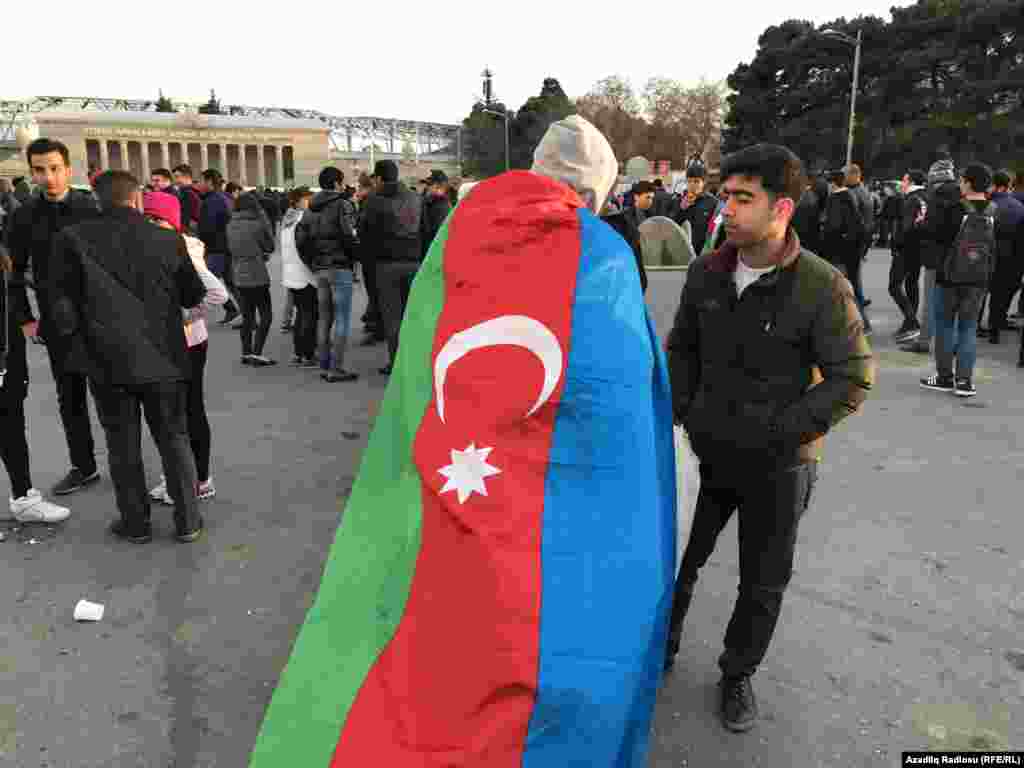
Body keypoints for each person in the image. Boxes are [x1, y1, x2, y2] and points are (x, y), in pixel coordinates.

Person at [665, 144, 874, 732]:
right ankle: (662, 647)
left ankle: (737, 675)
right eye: (725, 196)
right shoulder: (706, 271)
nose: (725, 209)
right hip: (702, 453)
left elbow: (852, 377)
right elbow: (682, 347)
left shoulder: (822, 286)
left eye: (741, 199)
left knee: (762, 582)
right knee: (677, 560)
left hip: (778, 466)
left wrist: (779, 433)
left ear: (781, 207)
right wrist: (681, 411)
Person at [47, 170, 206, 543]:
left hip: (106, 361)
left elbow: (61, 306)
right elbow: (191, 295)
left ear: (98, 201)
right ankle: (188, 522)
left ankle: (135, 524)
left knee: (122, 445)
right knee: (174, 439)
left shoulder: (72, 239)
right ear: (136, 199)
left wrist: (79, 344)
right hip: (164, 358)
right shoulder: (169, 240)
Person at [5, 138, 103, 496]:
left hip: (100, 316)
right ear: (31, 172)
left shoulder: (91, 207)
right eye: (39, 170)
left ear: (68, 168)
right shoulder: (24, 214)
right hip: (56, 321)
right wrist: (25, 318)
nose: (48, 177)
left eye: (55, 168)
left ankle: (129, 465)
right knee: (70, 397)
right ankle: (84, 465)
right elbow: (12, 271)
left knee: (115, 395)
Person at [141, 191, 227, 505]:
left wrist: (183, 316)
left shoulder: (183, 248)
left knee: (185, 412)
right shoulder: (172, 244)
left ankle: (197, 479)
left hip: (185, 342)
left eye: (157, 219)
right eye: (146, 217)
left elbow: (218, 294)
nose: (150, 224)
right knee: (182, 411)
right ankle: (190, 476)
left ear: (172, 222)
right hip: (188, 339)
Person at [1, 243, 71, 523]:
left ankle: (23, 497)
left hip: (9, 364)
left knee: (12, 429)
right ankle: (24, 498)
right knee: (11, 429)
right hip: (6, 365)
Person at [920, 163, 995, 398]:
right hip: (979, 279)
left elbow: (935, 236)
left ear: (969, 182)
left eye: (962, 180)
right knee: (968, 328)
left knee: (945, 326)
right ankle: (965, 381)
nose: (960, 183)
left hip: (949, 276)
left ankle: (944, 377)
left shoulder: (954, 208)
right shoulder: (994, 210)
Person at [360, 160, 421, 376]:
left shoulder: (373, 200)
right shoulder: (415, 197)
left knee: (392, 318)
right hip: (414, 262)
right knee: (412, 315)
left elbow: (364, 234)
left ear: (378, 178)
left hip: (386, 265)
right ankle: (416, 360)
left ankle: (397, 363)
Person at [301, 167, 359, 382]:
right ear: (336, 183)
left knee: (324, 318)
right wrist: (354, 257)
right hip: (339, 266)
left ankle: (324, 364)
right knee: (342, 318)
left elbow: (302, 239)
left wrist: (312, 263)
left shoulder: (310, 208)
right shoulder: (342, 204)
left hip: (320, 269)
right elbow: (349, 234)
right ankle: (336, 368)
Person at [903, 156, 962, 354]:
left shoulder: (938, 197)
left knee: (931, 302)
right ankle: (952, 343)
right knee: (950, 304)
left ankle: (924, 341)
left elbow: (934, 228)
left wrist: (920, 224)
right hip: (956, 257)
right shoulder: (959, 194)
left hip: (936, 256)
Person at [226, 192, 276, 366]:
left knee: (248, 317)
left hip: (239, 274)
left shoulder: (230, 225)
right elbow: (270, 245)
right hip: (257, 274)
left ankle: (246, 352)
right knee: (266, 315)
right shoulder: (257, 224)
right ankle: (257, 352)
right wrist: (263, 218)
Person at [980, 169, 1024, 344]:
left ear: (996, 186)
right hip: (1011, 257)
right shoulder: (1019, 206)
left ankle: (974, 324)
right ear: (1008, 187)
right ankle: (995, 327)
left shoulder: (986, 206)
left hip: (987, 254)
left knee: (981, 292)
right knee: (1001, 294)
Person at [280, 187, 318, 367]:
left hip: (291, 273)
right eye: (307, 199)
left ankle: (298, 352)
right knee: (309, 314)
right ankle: (308, 354)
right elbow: (307, 247)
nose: (310, 202)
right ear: (298, 201)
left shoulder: (287, 220)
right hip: (305, 273)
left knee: (301, 314)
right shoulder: (302, 219)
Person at [890, 169, 928, 343]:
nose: (902, 184)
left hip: (905, 249)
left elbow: (906, 228)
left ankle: (912, 322)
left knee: (894, 286)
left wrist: (896, 244)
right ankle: (909, 322)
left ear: (911, 182)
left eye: (904, 181)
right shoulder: (926, 196)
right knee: (912, 283)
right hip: (920, 248)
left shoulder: (910, 200)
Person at [197, 169, 239, 325]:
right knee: (231, 282)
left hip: (216, 248)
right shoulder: (224, 197)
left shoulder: (213, 200)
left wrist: (200, 243)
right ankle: (239, 312)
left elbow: (208, 227)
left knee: (204, 281)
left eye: (201, 181)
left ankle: (188, 318)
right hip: (225, 247)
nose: (199, 184)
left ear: (209, 182)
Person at [674, 159, 718, 255]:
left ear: (704, 182)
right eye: (689, 181)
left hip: (703, 254)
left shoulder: (712, 202)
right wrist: (681, 209)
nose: (692, 185)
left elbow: (715, 230)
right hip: (683, 253)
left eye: (696, 181)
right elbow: (673, 226)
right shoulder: (678, 200)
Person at [420, 170, 452, 259]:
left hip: (433, 255)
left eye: (430, 184)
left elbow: (437, 236)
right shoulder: (430, 202)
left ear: (439, 186)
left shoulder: (441, 206)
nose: (427, 187)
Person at [171, 164, 202, 234]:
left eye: (177, 177)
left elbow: (184, 219)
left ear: (187, 177)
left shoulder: (188, 194)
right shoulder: (194, 192)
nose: (175, 180)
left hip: (188, 233)